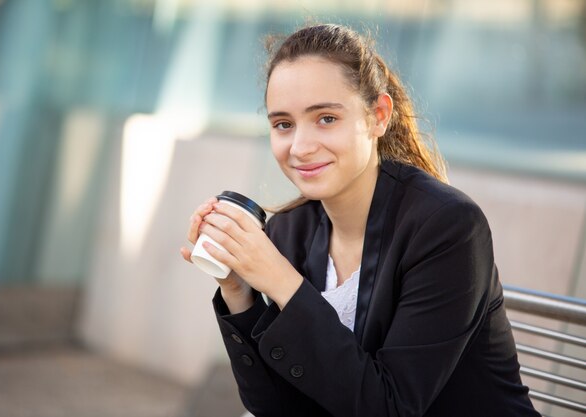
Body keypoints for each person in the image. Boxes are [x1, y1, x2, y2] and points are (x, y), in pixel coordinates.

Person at [180, 23, 540, 417]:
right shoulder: (290, 230)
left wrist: (280, 279)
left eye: (326, 119)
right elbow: (276, 406)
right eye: (283, 124)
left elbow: (391, 408)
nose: (300, 147)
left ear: (378, 116)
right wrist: (238, 289)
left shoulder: (448, 227)